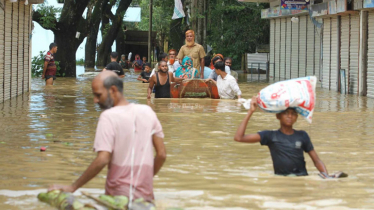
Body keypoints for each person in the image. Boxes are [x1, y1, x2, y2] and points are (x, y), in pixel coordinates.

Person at [49, 71, 167, 204]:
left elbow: (103, 159)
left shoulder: (108, 116)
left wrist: (73, 187)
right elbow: (162, 155)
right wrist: (144, 180)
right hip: (145, 199)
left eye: (98, 95)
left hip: (116, 199)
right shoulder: (148, 112)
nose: (95, 100)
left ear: (113, 90)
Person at [234, 99, 330, 177]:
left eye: (293, 114)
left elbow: (316, 160)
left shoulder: (302, 135)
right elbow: (239, 137)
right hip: (281, 180)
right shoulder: (270, 136)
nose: (289, 116)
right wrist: (250, 112)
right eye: (286, 113)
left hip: (301, 179)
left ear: (296, 117)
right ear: (278, 116)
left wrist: (326, 175)